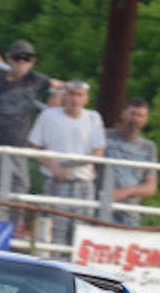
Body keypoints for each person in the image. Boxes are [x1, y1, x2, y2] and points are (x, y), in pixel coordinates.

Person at [0, 39, 59, 226]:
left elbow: (62, 86)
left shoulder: (35, 80)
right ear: (9, 59)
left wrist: (53, 103)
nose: (22, 62)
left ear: (32, 62)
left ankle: (10, 235)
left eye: (27, 58)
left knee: (17, 194)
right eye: (18, 57)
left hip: (18, 148)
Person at [27, 79, 105, 247]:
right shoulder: (49, 115)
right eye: (71, 94)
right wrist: (53, 166)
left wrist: (75, 165)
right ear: (64, 96)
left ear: (86, 98)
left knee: (81, 233)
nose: (74, 99)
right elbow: (35, 146)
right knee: (55, 232)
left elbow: (99, 150)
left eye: (79, 95)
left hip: (83, 182)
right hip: (55, 180)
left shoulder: (93, 118)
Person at [103, 98, 158, 226]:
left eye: (140, 115)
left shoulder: (149, 147)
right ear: (123, 114)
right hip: (100, 206)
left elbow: (151, 187)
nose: (135, 119)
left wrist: (126, 191)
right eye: (132, 114)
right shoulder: (104, 137)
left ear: (146, 119)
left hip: (129, 214)